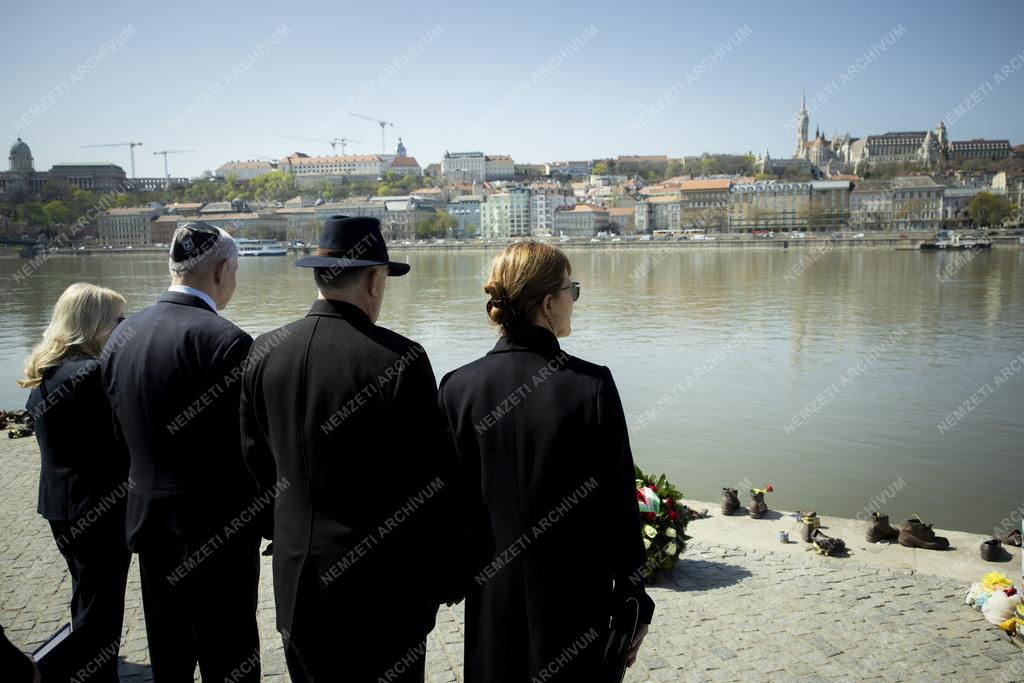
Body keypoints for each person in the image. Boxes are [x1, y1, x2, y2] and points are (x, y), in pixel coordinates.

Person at [240, 215, 464, 682]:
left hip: (296, 576)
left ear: (320, 274)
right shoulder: (398, 359)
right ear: (375, 278)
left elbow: (254, 461)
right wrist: (447, 574)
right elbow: (431, 480)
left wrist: (283, 528)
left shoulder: (263, 352)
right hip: (381, 588)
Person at [438, 240, 654, 681]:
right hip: (574, 604)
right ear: (550, 303)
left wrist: (454, 577)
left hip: (492, 603)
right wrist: (633, 594)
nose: (575, 299)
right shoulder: (591, 387)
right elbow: (618, 503)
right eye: (571, 288)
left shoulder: (457, 388)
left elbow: (447, 509)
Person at [101, 223, 262, 681]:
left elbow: (119, 437)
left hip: (149, 523)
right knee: (229, 655)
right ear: (222, 270)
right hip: (217, 530)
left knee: (169, 652)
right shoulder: (226, 341)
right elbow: (247, 446)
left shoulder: (121, 337)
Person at [19, 282, 130, 682]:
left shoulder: (46, 370)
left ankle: (82, 664)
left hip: (59, 503)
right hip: (98, 506)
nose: (125, 326)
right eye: (119, 319)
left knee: (87, 592)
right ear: (96, 323)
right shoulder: (92, 375)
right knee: (102, 602)